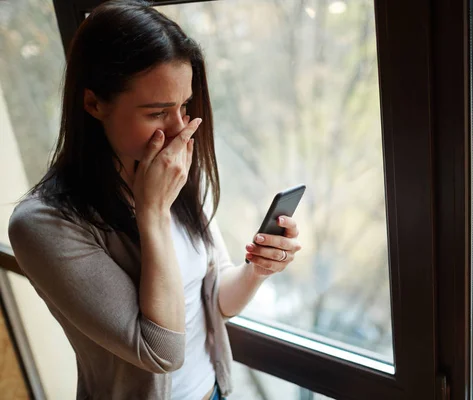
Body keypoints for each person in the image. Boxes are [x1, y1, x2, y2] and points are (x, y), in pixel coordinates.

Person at [7, 1, 302, 399]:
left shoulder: (173, 173)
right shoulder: (44, 225)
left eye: (183, 106)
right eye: (158, 112)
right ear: (94, 104)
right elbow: (160, 352)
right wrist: (153, 212)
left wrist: (257, 269)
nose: (180, 128)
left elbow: (213, 302)